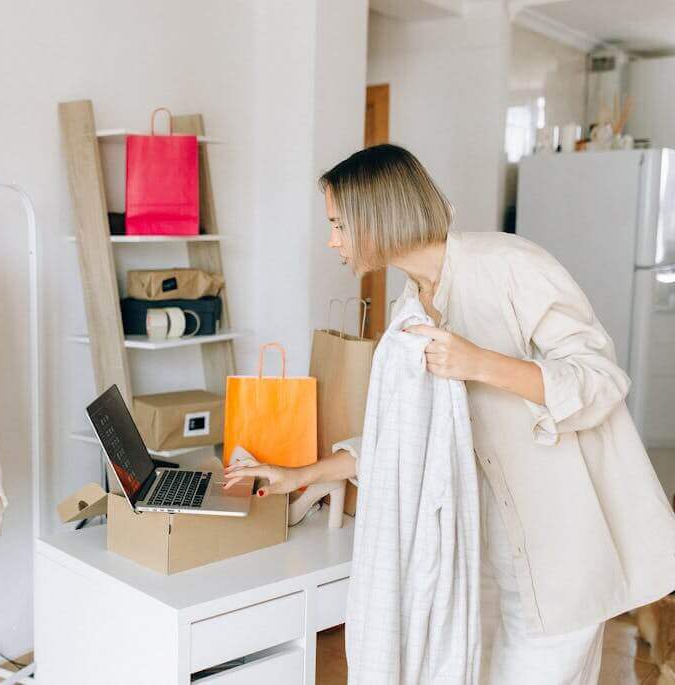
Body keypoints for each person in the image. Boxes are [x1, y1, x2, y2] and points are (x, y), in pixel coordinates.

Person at [224, 144, 675, 683]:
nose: (332, 240)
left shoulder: (511, 265)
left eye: (338, 223)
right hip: (479, 552)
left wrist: (478, 362)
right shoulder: (410, 307)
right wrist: (298, 476)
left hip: (561, 550)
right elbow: (401, 442)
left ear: (376, 217)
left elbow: (601, 380)